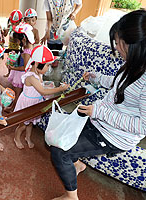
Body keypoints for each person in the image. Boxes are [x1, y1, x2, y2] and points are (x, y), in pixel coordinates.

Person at [50, 10, 146, 200]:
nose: (116, 47)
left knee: (59, 151)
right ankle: (77, 165)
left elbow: (142, 125)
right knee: (64, 135)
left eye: (119, 43)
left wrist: (100, 112)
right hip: (101, 119)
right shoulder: (134, 63)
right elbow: (120, 83)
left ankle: (71, 197)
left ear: (134, 46)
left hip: (114, 136)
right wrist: (97, 77)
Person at [13, 45, 69, 149]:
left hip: (34, 102)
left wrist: (48, 85)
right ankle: (17, 138)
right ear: (38, 64)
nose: (48, 68)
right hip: (27, 104)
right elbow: (42, 90)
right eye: (47, 65)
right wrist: (60, 89)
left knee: (30, 123)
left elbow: (41, 87)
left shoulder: (38, 73)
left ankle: (28, 138)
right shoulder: (31, 76)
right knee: (23, 125)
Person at [7, 22, 35, 111]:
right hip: (19, 74)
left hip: (20, 75)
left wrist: (12, 68)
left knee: (17, 94)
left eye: (18, 41)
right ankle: (14, 107)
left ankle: (13, 109)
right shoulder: (28, 47)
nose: (17, 43)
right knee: (17, 93)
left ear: (23, 39)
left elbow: (25, 67)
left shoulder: (27, 52)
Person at [3, 9, 23, 77]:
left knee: (16, 62)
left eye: (16, 22)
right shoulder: (10, 26)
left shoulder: (20, 28)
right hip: (11, 46)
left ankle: (14, 74)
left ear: (20, 21)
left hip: (18, 48)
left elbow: (19, 40)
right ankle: (9, 73)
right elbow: (5, 35)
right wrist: (5, 30)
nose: (14, 24)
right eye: (12, 22)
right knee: (10, 60)